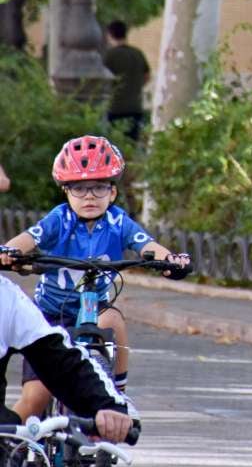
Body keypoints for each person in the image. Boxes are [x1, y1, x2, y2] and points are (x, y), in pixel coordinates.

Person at [1, 135, 189, 423]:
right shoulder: (59, 219)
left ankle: (119, 390)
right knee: (35, 398)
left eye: (99, 187)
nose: (89, 196)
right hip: (50, 316)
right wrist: (9, 252)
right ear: (66, 192)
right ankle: (11, 446)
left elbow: (146, 244)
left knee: (113, 319)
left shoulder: (118, 221)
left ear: (113, 192)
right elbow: (29, 238)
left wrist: (169, 260)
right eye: (79, 188)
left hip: (93, 312)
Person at [0, 273, 133, 442]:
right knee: (33, 397)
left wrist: (107, 405)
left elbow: (61, 361)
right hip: (52, 307)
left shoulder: (6, 298)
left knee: (112, 319)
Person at [102, 21, 151, 143]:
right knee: (131, 144)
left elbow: (102, 79)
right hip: (135, 106)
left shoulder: (109, 55)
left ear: (110, 35)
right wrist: (136, 86)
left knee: (114, 146)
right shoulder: (137, 54)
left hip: (115, 107)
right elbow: (147, 75)